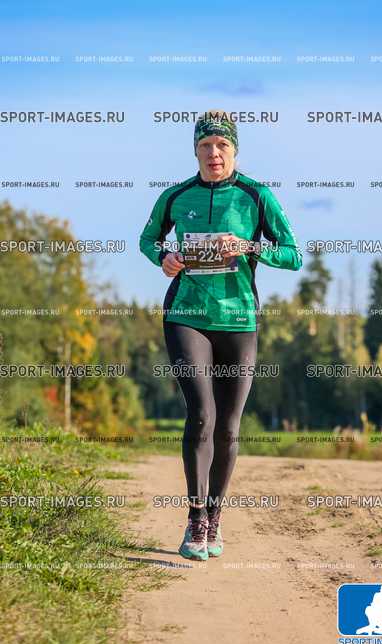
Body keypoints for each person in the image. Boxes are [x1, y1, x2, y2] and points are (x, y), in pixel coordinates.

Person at [139, 109, 302, 561]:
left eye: (222, 145)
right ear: (195, 151)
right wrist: (164, 258)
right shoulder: (176, 196)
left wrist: (249, 247)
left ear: (235, 150)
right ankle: (195, 519)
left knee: (228, 428)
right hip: (186, 315)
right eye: (205, 145)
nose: (214, 153)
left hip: (238, 321)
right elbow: (148, 239)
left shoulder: (256, 196)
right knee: (201, 415)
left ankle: (214, 516)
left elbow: (293, 255)